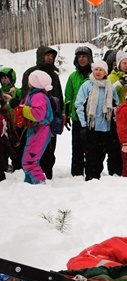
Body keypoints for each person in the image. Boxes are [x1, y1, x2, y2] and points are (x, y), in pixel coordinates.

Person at [19, 46, 63, 180]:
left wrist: (60, 116)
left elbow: (59, 96)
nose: (50, 58)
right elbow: (25, 94)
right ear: (40, 56)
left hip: (47, 121)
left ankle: (45, 176)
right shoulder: (30, 73)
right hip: (34, 120)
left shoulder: (54, 75)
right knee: (33, 150)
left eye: (52, 56)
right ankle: (34, 177)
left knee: (48, 150)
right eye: (47, 55)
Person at [75, 60, 119, 181]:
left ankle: (99, 178)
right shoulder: (87, 85)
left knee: (102, 155)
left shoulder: (110, 87)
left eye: (101, 70)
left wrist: (113, 115)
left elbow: (117, 105)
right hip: (91, 127)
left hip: (106, 127)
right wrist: (83, 125)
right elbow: (79, 105)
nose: (98, 72)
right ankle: (90, 178)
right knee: (91, 155)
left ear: (105, 72)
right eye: (96, 69)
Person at [20, 71, 54, 184]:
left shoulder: (38, 96)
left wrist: (22, 110)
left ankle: (39, 184)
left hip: (40, 130)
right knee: (31, 159)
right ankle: (29, 185)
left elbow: (37, 115)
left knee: (29, 161)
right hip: (37, 130)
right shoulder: (35, 94)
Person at [64, 46, 93, 176]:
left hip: (92, 117)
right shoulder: (72, 77)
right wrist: (67, 114)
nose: (81, 59)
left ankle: (91, 173)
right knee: (77, 148)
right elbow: (68, 97)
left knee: (91, 147)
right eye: (79, 57)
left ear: (89, 58)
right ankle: (76, 174)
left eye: (84, 56)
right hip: (77, 117)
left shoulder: (95, 74)